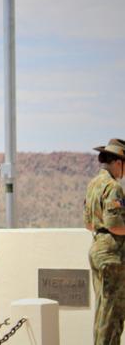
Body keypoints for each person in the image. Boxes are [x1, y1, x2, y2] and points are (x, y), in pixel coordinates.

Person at [84, 138, 125, 345]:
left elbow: (89, 224)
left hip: (98, 248)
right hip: (112, 254)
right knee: (111, 312)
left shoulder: (94, 184)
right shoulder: (113, 187)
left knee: (103, 309)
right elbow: (114, 225)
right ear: (118, 162)